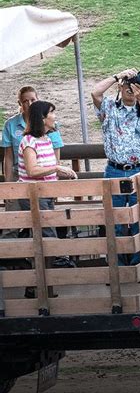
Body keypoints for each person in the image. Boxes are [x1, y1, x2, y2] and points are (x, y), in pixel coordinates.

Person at [91, 68, 140, 265]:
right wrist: (117, 75)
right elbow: (95, 92)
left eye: (135, 85)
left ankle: (139, 266)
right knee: (114, 218)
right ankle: (119, 267)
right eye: (127, 85)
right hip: (114, 169)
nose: (131, 89)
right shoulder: (109, 107)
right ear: (120, 87)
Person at [18, 100, 77, 271]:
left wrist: (64, 172)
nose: (55, 116)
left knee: (46, 234)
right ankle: (47, 276)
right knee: (46, 235)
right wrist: (57, 168)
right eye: (52, 112)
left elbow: (46, 168)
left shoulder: (47, 140)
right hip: (34, 194)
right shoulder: (29, 141)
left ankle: (43, 279)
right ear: (43, 118)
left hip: (46, 193)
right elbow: (32, 170)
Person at [1, 86, 64, 239]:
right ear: (20, 103)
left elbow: (55, 154)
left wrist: (55, 178)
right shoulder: (14, 127)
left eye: (32, 100)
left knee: (45, 224)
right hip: (23, 175)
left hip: (44, 179)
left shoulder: (50, 133)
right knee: (14, 220)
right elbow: (9, 157)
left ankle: (38, 258)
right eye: (25, 101)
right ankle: (9, 258)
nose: (29, 104)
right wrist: (8, 185)